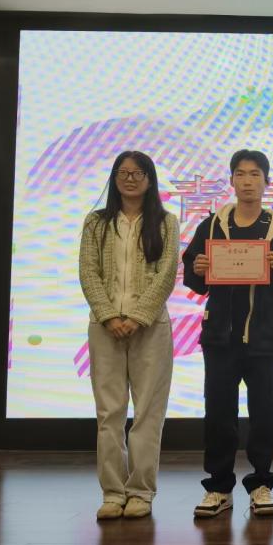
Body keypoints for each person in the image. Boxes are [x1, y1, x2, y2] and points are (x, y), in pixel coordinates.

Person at [182, 150, 273, 519]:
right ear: (232, 181)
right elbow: (194, 277)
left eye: (255, 174)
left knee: (265, 413)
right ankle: (218, 487)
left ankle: (261, 484)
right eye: (240, 174)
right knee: (218, 413)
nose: (248, 181)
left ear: (267, 182)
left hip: (265, 339)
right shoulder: (212, 226)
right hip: (220, 337)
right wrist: (199, 269)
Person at [79, 151, 179, 520]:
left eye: (138, 173)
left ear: (150, 179)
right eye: (123, 172)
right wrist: (108, 316)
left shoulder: (166, 223)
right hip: (104, 328)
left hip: (151, 329)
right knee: (109, 414)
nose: (130, 179)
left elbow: (167, 273)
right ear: (114, 178)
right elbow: (88, 272)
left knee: (148, 413)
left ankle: (140, 492)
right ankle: (112, 492)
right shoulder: (96, 223)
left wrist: (137, 317)